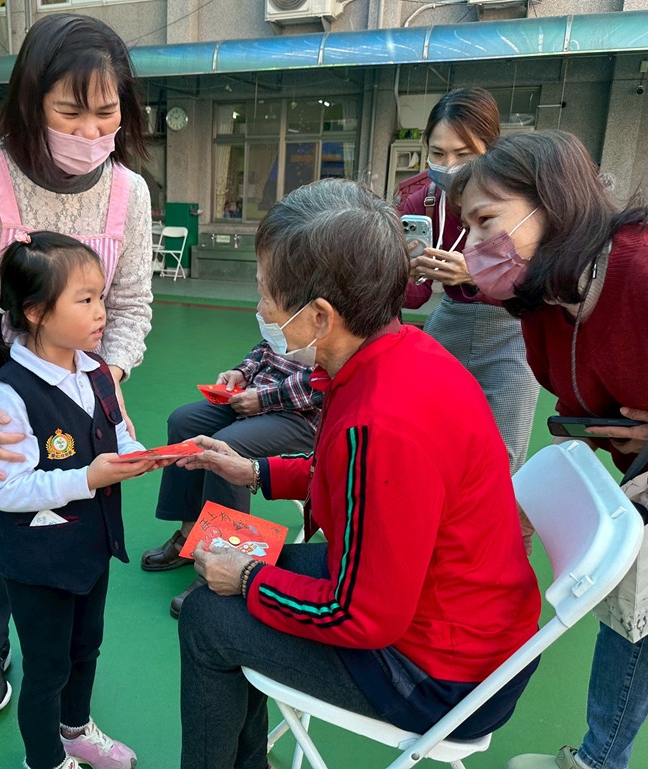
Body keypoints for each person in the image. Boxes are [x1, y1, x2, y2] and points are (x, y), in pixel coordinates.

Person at [174, 178, 542, 769]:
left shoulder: (380, 424)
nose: (261, 311)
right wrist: (254, 471)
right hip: (466, 623)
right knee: (255, 572)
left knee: (206, 618)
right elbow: (359, 486)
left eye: (267, 295)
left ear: (320, 316)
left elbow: (363, 616)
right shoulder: (404, 355)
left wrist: (247, 581)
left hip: (439, 675)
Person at [0, 13, 153, 718]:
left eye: (105, 112)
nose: (90, 131)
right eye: (70, 112)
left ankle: (62, 651)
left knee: (68, 514)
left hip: (83, 391)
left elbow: (132, 307)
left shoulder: (129, 193)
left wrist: (106, 382)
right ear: (30, 101)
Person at [448, 130, 648, 769]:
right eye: (465, 228)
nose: (471, 246)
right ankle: (599, 759)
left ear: (554, 205)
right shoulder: (545, 306)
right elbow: (584, 413)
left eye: (486, 221)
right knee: (631, 612)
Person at [0, 232, 154, 769]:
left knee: (86, 649)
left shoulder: (96, 370)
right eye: (85, 299)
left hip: (90, 548)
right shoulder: (8, 394)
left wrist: (136, 454)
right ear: (35, 312)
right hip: (39, 564)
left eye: (101, 296)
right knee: (47, 669)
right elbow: (6, 490)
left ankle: (75, 730)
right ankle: (46, 759)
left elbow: (116, 430)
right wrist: (89, 477)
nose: (101, 311)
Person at [398, 88, 539, 474]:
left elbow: (543, 279)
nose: (449, 166)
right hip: (450, 318)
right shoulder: (420, 201)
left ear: (491, 148)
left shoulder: (518, 200)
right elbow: (414, 297)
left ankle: (501, 513)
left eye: (463, 154)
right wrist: (402, 272)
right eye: (438, 153)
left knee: (504, 454)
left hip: (512, 326)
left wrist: (478, 273)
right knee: (422, 434)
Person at [141, 340, 321, 618]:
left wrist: (264, 398)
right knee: (184, 421)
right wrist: (242, 372)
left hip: (303, 417)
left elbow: (322, 383)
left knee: (229, 445)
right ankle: (191, 536)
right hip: (257, 396)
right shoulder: (289, 318)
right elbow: (268, 345)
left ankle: (225, 562)